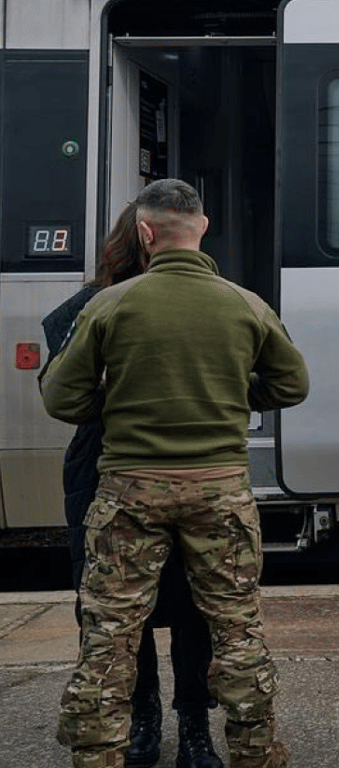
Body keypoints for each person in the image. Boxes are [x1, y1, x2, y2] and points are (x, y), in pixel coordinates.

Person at [41, 178, 308, 768]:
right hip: (220, 491)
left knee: (110, 635)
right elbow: (294, 385)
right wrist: (234, 395)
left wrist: (118, 401)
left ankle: (102, 753)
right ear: (202, 228)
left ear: (144, 231)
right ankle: (252, 751)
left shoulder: (106, 304)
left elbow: (61, 399)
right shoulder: (245, 303)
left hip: (129, 491)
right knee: (236, 631)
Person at [40, 203, 223, 768]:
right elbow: (58, 386)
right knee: (123, 610)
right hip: (104, 471)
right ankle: (145, 716)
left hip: (175, 469)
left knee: (193, 604)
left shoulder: (206, 300)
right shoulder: (87, 306)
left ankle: (193, 723)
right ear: (148, 238)